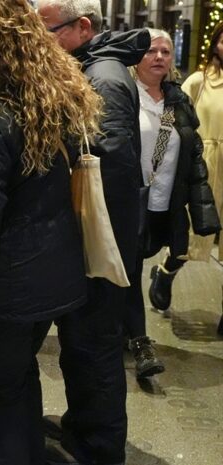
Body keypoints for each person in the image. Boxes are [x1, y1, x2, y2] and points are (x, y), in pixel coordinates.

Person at [0, 1, 101, 464]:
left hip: (8, 286)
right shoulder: (53, 98)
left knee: (1, 396)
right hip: (55, 275)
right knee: (20, 381)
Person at [36, 1, 149, 464]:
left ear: (82, 27)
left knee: (94, 344)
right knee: (84, 342)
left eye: (49, 33)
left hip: (104, 242)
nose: (42, 45)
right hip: (100, 238)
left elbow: (112, 168)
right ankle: (83, 425)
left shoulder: (100, 75)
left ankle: (98, 445)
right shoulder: (96, 67)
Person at [125, 28, 220, 379]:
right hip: (129, 201)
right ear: (136, 55)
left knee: (150, 256)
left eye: (165, 51)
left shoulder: (176, 99)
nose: (160, 57)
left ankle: (124, 326)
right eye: (152, 51)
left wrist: (202, 210)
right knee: (130, 270)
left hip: (164, 201)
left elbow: (192, 157)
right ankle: (140, 341)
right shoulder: (124, 94)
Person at [180, 20, 223, 335]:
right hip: (206, 165)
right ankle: (167, 272)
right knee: (196, 235)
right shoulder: (199, 81)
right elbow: (177, 119)